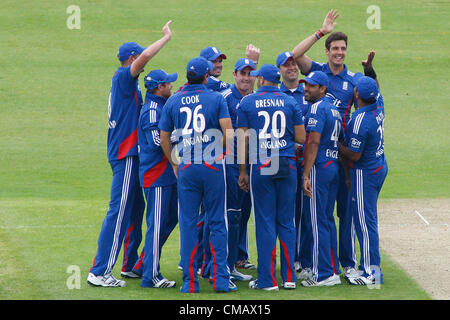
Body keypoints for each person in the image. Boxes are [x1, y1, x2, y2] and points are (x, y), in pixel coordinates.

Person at [87, 21, 173, 287]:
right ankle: (100, 271)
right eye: (139, 59)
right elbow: (147, 55)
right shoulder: (125, 78)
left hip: (129, 155)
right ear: (132, 59)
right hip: (126, 156)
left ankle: (131, 265)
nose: (143, 63)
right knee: (120, 210)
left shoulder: (125, 84)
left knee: (136, 208)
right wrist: (166, 38)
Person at [292, 10, 364, 277]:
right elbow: (296, 54)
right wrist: (320, 31)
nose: (340, 52)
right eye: (335, 48)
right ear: (327, 50)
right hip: (322, 151)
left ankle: (347, 264)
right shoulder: (318, 73)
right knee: (318, 213)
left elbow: (369, 102)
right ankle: (313, 263)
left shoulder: (353, 80)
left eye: (343, 48)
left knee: (344, 213)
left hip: (342, 154)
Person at [159, 57, 235, 293]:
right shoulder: (215, 98)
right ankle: (221, 280)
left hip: (187, 166)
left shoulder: (173, 100)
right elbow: (229, 134)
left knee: (189, 224)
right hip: (212, 166)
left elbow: (164, 137)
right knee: (217, 222)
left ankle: (190, 283)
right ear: (206, 77)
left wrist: (174, 163)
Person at [237, 64, 306, 291]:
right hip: (286, 162)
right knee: (286, 222)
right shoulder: (290, 102)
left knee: (265, 222)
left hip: (263, 164)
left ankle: (267, 281)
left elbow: (242, 140)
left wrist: (243, 171)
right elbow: (301, 137)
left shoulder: (248, 102)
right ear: (277, 81)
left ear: (261, 81)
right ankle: (289, 278)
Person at [130, 69, 179, 288]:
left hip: (165, 176)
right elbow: (158, 141)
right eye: (168, 84)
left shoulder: (158, 107)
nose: (171, 86)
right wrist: (182, 136)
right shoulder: (152, 110)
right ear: (159, 88)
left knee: (170, 219)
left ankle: (144, 264)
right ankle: (150, 276)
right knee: (156, 225)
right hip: (156, 177)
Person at [338, 76, 387, 286]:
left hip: (364, 173)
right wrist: (370, 70)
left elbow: (354, 155)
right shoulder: (379, 105)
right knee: (368, 221)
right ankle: (368, 267)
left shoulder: (359, 119)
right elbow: (378, 88)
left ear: (356, 94)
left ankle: (371, 273)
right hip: (378, 167)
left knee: (365, 224)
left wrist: (336, 143)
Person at [300, 71, 342, 287]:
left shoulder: (317, 108)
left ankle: (323, 273)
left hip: (319, 167)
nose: (307, 88)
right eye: (306, 84)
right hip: (332, 166)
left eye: (312, 86)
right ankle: (332, 269)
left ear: (322, 89)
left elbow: (314, 142)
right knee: (326, 221)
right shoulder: (334, 109)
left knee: (316, 222)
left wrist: (306, 173)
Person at [220, 58, 258, 282]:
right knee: (229, 215)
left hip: (253, 165)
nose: (246, 77)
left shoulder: (256, 99)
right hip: (231, 166)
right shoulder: (224, 99)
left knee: (243, 215)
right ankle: (220, 264)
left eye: (249, 73)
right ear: (234, 75)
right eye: (242, 73)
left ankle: (233, 262)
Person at [276, 51, 310, 274]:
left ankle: (302, 258)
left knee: (304, 212)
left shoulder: (306, 92)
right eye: (286, 65)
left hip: (304, 162)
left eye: (294, 64)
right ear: (279, 70)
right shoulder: (274, 94)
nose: (292, 68)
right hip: (283, 162)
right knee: (286, 213)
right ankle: (290, 259)